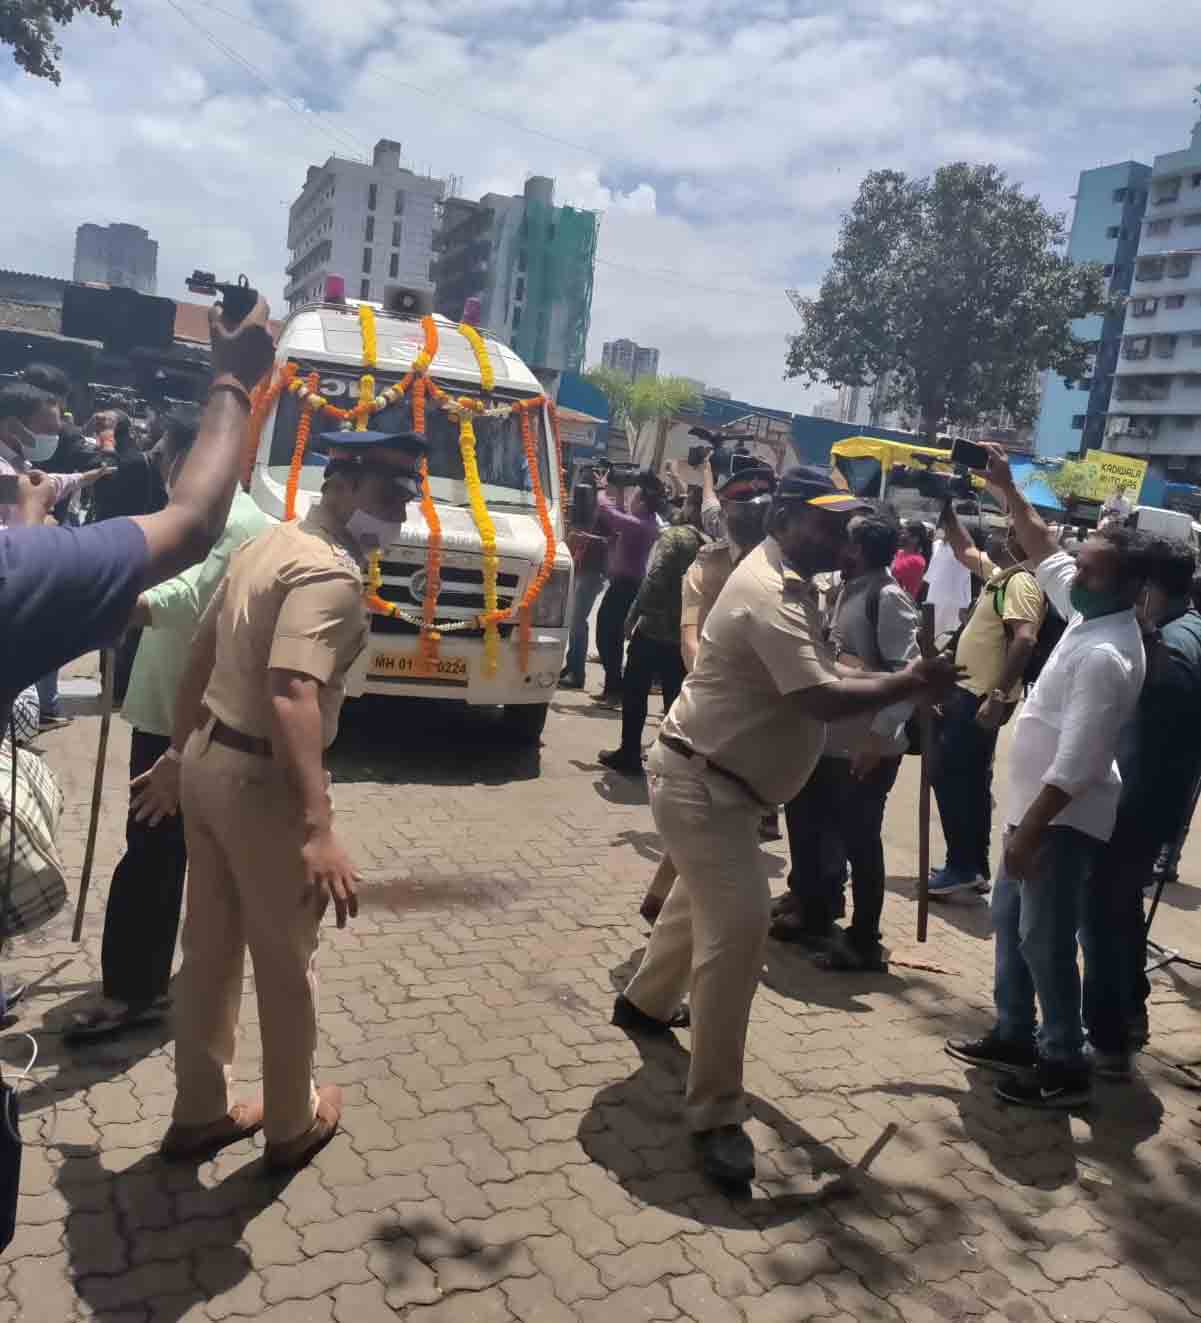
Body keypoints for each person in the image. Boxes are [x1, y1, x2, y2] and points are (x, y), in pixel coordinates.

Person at [611, 465, 961, 1187]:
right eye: (824, 524)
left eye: (844, 527)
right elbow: (818, 696)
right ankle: (713, 1112)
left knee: (693, 904)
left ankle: (644, 1002)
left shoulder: (801, 582)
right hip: (702, 784)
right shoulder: (767, 590)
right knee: (735, 939)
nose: (839, 537)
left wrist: (884, 680)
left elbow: (826, 665)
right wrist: (910, 684)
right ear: (784, 519)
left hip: (724, 787)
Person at [133, 427, 425, 1171]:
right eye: (392, 491)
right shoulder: (328, 574)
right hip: (259, 784)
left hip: (207, 763)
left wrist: (175, 752)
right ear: (346, 483)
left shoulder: (267, 544)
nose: (405, 507)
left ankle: (199, 1110)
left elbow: (201, 651)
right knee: (287, 961)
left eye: (411, 491)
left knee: (209, 948)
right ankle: (292, 1125)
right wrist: (318, 825)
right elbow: (293, 692)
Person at [947, 445, 1150, 1110]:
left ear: (1122, 585)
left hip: (1057, 821)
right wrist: (1004, 485)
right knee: (1012, 923)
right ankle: (1013, 1031)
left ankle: (1061, 1061)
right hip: (1032, 813)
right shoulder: (1090, 608)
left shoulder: (1107, 654)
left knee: (1044, 936)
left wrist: (1027, 832)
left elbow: (1080, 763)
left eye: (1087, 564)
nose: (1072, 568)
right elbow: (1040, 545)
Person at [66, 407, 271, 1042]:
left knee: (152, 855)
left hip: (183, 726)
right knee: (170, 853)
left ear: (195, 462)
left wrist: (112, 608)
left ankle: (133, 992)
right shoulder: (217, 519)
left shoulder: (233, 524)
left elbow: (186, 599)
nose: (165, 478)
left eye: (168, 464)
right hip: (175, 709)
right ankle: (159, 979)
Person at [0, 295, 277, 723]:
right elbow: (190, 527)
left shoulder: (240, 517)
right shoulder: (22, 566)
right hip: (163, 687)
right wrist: (234, 379)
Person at [772, 510, 918, 967]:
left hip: (865, 748)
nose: (836, 545)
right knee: (809, 825)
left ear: (858, 550)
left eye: (845, 540)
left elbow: (909, 677)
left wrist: (879, 738)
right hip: (829, 740)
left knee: (860, 839)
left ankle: (863, 939)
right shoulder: (843, 588)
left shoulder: (888, 598)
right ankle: (814, 911)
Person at [1079, 537, 1201, 1077]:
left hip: (1135, 805)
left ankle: (1108, 1040)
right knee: (1119, 914)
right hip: (1153, 804)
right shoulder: (1187, 630)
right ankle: (1128, 1017)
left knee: (1103, 916)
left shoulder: (1171, 649)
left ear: (1147, 589)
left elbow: (1152, 738)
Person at [638, 463, 777, 921]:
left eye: (762, 507)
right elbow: (690, 638)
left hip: (762, 717)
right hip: (713, 709)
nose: (751, 518)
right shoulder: (708, 563)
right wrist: (721, 684)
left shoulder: (787, 568)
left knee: (717, 818)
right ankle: (670, 910)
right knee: (711, 814)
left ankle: (662, 903)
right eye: (745, 509)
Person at [929, 506, 1046, 896]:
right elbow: (964, 550)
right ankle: (969, 865)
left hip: (979, 697)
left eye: (1005, 532)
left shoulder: (1022, 584)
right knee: (968, 781)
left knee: (954, 778)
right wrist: (948, 513)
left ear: (1016, 543)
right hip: (970, 694)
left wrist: (996, 696)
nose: (996, 537)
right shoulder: (1002, 577)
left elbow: (1025, 638)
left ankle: (962, 865)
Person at [0, 381, 112, 729]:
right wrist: (38, 529)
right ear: (12, 424)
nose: (54, 437)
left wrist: (85, 477)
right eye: (47, 430)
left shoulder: (20, 462)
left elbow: (49, 482)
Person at [599, 493, 708, 775]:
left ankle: (630, 753)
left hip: (654, 630)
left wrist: (633, 615)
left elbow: (655, 578)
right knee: (675, 701)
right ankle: (672, 762)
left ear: (691, 507)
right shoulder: (710, 542)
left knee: (635, 693)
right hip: (685, 633)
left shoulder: (675, 537)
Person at [592, 472, 663, 703]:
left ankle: (615, 688)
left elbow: (609, 514)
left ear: (642, 503)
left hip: (625, 587)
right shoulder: (644, 521)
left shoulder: (640, 525)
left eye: (634, 496)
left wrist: (601, 488)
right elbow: (622, 514)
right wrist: (621, 490)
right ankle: (613, 686)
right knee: (610, 636)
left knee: (607, 635)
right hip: (624, 585)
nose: (631, 500)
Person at [560, 482, 608, 690]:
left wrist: (586, 537)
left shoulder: (604, 514)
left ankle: (577, 673)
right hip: (580, 570)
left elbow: (611, 541)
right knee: (573, 620)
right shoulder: (579, 515)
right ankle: (572, 665)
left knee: (578, 621)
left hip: (591, 572)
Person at [892, 520, 931, 598]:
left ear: (915, 539)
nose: (900, 536)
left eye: (904, 533)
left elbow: (892, 573)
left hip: (900, 604)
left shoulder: (917, 560)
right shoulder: (899, 553)